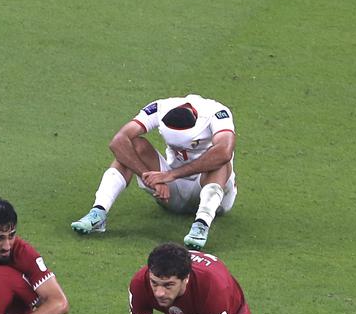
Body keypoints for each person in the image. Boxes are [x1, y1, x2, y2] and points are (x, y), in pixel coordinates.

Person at [72, 94, 238, 250]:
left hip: (214, 197)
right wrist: (149, 177)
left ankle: (201, 224)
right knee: (132, 147)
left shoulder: (217, 113)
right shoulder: (159, 108)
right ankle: (99, 211)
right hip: (170, 191)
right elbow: (118, 141)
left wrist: (172, 174)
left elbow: (224, 152)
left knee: (220, 163)